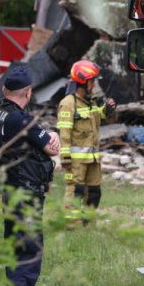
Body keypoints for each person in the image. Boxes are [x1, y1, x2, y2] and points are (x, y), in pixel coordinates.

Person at [0, 65, 60, 286]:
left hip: (10, 190)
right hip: (25, 193)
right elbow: (51, 148)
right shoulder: (20, 119)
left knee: (16, 249)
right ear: (28, 92)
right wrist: (53, 135)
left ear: (4, 88)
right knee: (28, 253)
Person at [56, 60, 114, 221]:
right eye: (92, 81)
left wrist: (107, 110)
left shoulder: (91, 102)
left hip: (93, 158)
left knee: (94, 192)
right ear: (83, 81)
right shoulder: (68, 104)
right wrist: (65, 159)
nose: (94, 85)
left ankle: (87, 224)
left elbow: (98, 117)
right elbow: (64, 133)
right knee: (76, 191)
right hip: (76, 162)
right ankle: (71, 224)